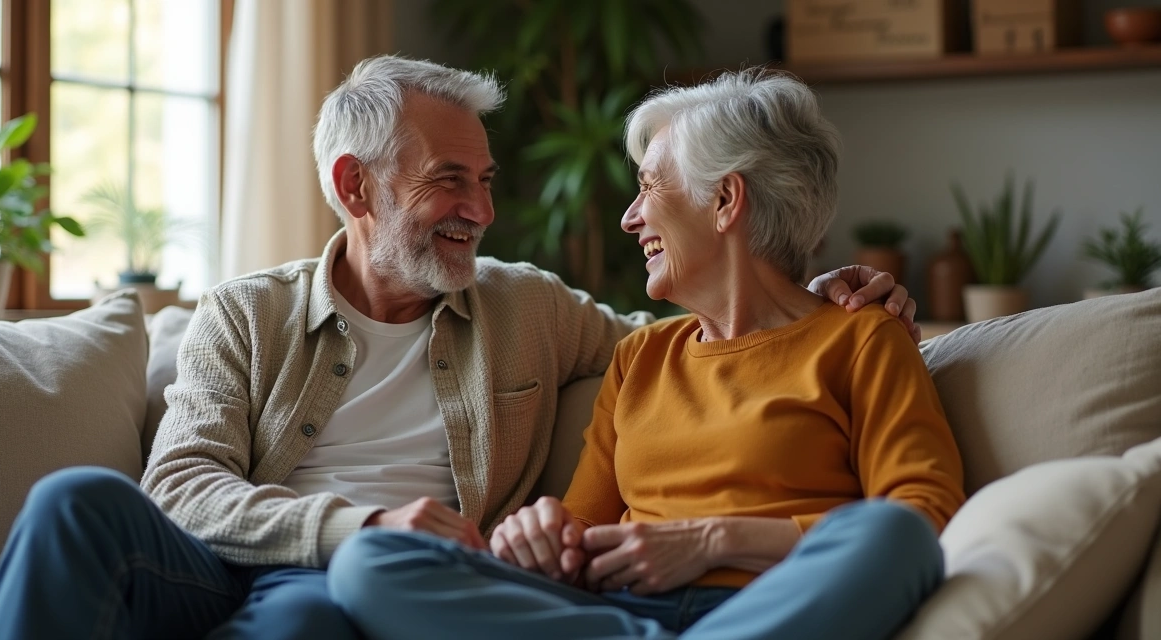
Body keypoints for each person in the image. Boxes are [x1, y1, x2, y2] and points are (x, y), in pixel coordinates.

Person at [0, 57, 922, 639]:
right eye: (448, 181)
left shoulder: (532, 307)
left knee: (324, 608)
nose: (481, 209)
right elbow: (182, 489)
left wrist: (827, 287)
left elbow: (728, 336)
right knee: (76, 503)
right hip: (252, 559)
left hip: (346, 594)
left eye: (484, 179)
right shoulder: (245, 313)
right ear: (356, 187)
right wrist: (369, 526)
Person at [327, 69, 965, 640]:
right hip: (620, 616)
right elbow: (578, 533)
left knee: (894, 537)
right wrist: (539, 537)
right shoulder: (642, 356)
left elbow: (925, 516)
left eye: (650, 187)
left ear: (725, 201)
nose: (631, 218)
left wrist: (711, 542)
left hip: (772, 605)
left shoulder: (862, 339)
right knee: (371, 562)